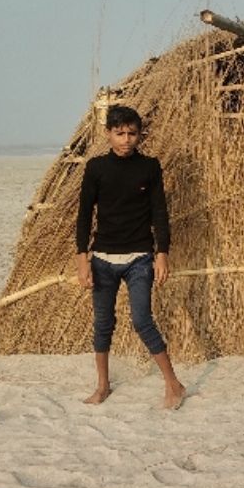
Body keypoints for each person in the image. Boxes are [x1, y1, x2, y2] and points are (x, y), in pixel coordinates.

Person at [75, 105, 186, 410]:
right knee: (103, 323)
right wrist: (82, 259)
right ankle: (102, 386)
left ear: (139, 135)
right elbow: (84, 215)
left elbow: (159, 213)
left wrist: (162, 253)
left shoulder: (149, 167)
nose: (125, 140)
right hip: (102, 259)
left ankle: (173, 384)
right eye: (119, 133)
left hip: (139, 257)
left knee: (141, 319)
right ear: (108, 134)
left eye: (132, 134)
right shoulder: (96, 168)